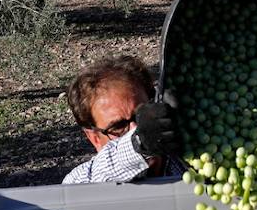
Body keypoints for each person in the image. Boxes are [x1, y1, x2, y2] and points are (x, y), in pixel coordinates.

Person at [62, 54, 182, 184]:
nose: (136, 129)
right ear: (95, 139)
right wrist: (139, 143)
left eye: (141, 115)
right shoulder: (81, 182)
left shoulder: (186, 163)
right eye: (118, 126)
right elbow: (79, 181)